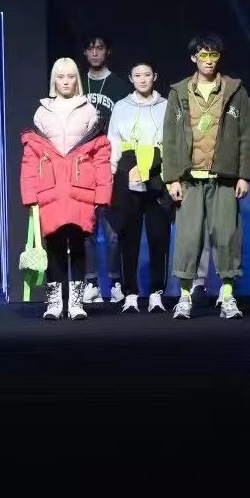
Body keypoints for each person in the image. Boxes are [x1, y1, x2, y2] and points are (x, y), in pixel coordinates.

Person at [162, 34, 250, 320]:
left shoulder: (235, 90)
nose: (209, 61)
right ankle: (184, 297)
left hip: (223, 178)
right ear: (194, 58)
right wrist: (172, 178)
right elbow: (170, 138)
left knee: (227, 236)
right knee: (188, 238)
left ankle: (227, 296)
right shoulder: (179, 92)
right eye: (203, 55)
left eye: (214, 55)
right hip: (190, 179)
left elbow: (247, 135)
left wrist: (244, 175)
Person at [22, 57, 112, 320]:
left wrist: (103, 193)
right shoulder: (43, 111)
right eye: (60, 76)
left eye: (70, 76)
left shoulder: (89, 110)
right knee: (54, 244)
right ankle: (54, 303)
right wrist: (30, 194)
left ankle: (75, 303)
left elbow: (101, 154)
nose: (65, 81)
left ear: (76, 79)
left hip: (80, 188)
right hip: (50, 188)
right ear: (54, 79)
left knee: (78, 242)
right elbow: (31, 157)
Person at [106, 62, 170, 313]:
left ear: (155, 77)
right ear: (131, 78)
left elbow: (173, 142)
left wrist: (171, 176)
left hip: (158, 174)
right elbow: (113, 141)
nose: (142, 79)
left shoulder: (166, 106)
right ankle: (130, 293)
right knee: (128, 236)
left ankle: (156, 293)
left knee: (159, 236)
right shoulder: (121, 107)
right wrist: (113, 174)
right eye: (137, 75)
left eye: (147, 75)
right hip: (129, 172)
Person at [78, 34, 132, 304]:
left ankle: (115, 282)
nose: (95, 52)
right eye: (90, 48)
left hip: (111, 166)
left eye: (99, 48)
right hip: (82, 167)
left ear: (107, 51)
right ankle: (90, 283)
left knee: (112, 232)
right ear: (85, 53)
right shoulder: (77, 85)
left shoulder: (119, 86)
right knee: (87, 230)